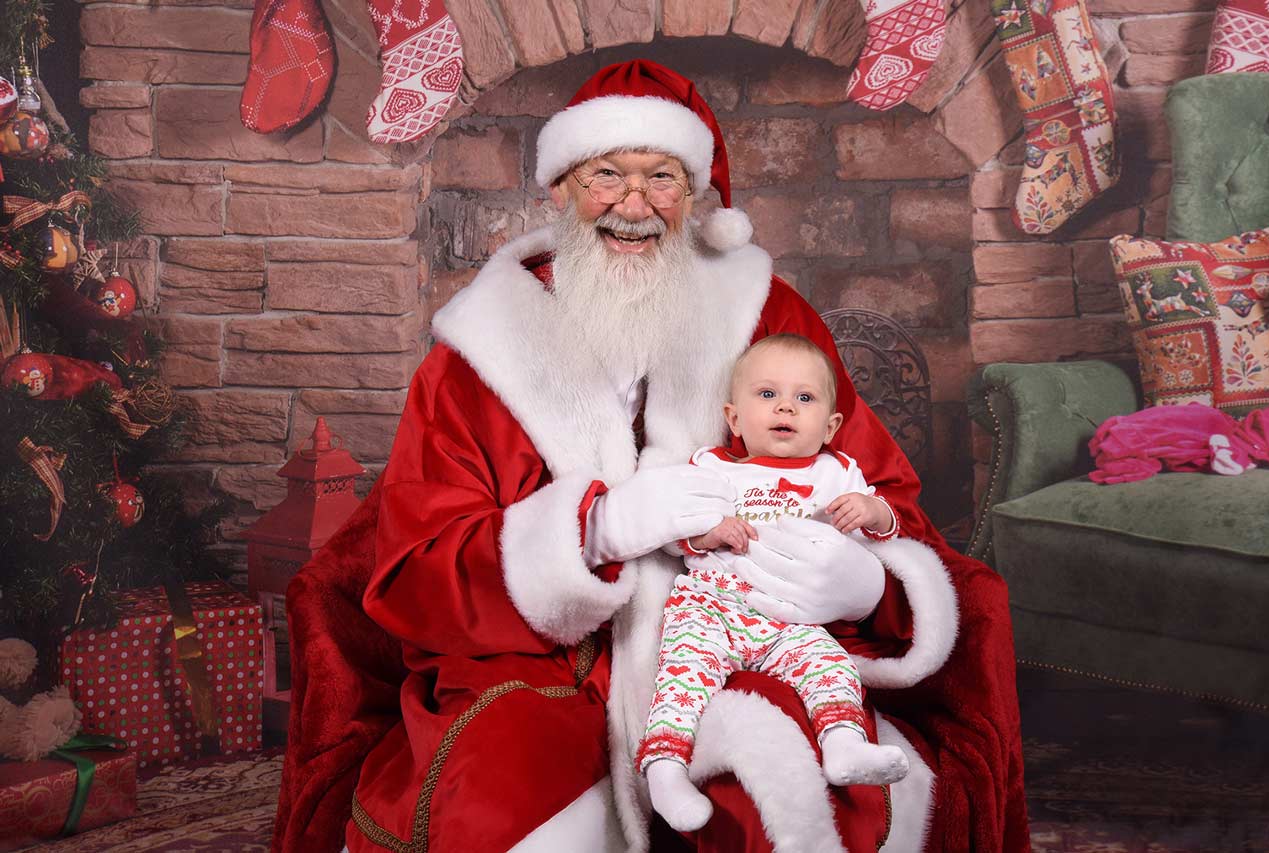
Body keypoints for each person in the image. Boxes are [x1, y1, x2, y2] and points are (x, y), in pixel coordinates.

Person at [272, 59, 1031, 853]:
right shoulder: (477, 350)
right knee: (495, 803)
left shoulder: (765, 310)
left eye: (661, 178)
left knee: (805, 791)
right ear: (561, 188)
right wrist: (594, 532)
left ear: (694, 195)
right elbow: (418, 564)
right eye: (607, 175)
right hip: (546, 658)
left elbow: (879, 486)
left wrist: (867, 575)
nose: (633, 205)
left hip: (746, 629)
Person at [640, 334, 912, 834]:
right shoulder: (713, 467)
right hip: (713, 605)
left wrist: (871, 510)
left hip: (790, 615)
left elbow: (889, 524)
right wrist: (710, 532)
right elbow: (674, 534)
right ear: (735, 418)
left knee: (829, 665)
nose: (786, 406)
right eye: (767, 395)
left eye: (804, 398)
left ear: (830, 426)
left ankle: (843, 745)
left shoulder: (836, 472)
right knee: (681, 677)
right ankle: (665, 768)